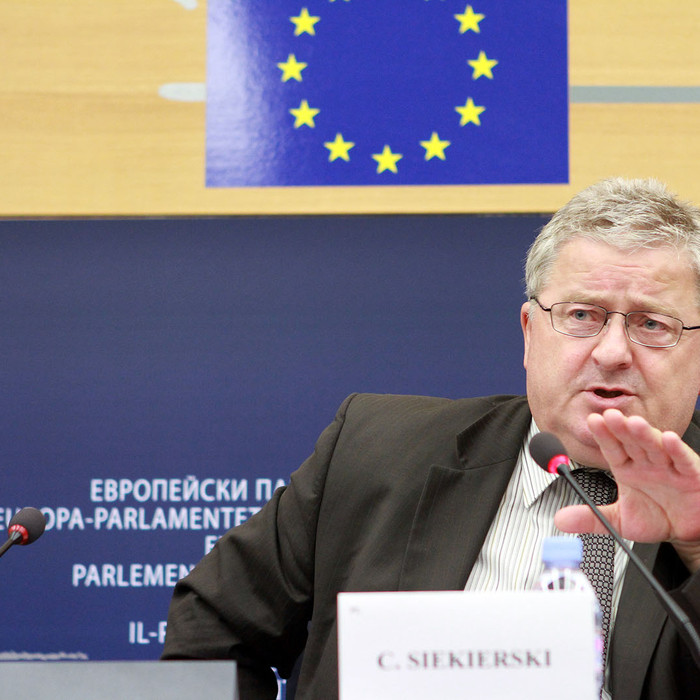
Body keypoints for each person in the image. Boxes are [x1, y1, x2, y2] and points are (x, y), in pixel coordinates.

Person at [161, 177, 700, 700]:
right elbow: (212, 631)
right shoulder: (375, 451)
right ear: (529, 333)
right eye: (581, 315)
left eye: (652, 324)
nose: (612, 352)